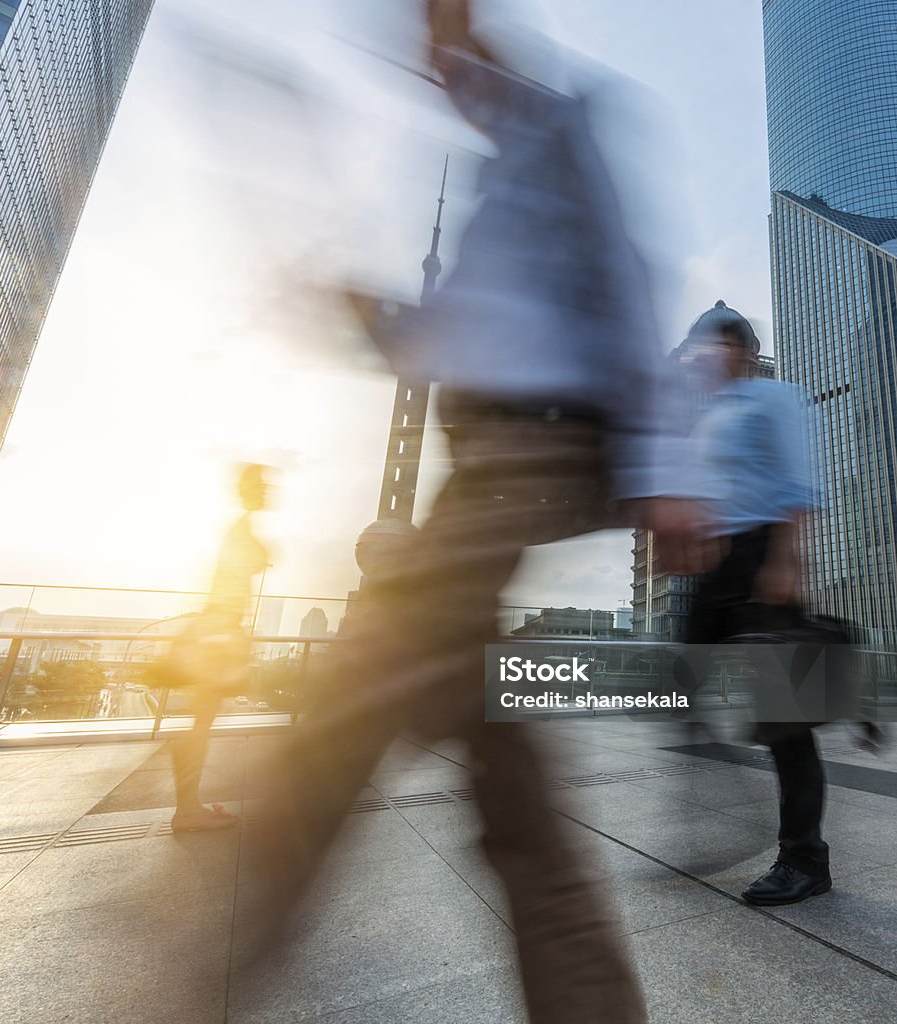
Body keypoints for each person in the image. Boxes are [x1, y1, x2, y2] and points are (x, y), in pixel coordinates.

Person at [244, 3, 704, 1022]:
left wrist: (666, 462)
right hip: (485, 464)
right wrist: (364, 310)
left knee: (342, 716)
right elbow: (452, 340)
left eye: (430, 34)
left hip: (536, 448)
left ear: (464, 27)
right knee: (503, 770)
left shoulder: (564, 123)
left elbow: (629, 287)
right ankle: (588, 996)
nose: (420, 60)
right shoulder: (498, 169)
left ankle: (207, 957)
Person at [680, 302, 829, 906]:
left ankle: (804, 859)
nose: (698, 358)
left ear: (740, 350)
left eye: (707, 346)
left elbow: (797, 481)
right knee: (684, 685)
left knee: (786, 721)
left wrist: (785, 559)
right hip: (718, 565)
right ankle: (713, 821)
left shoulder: (774, 398)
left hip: (763, 551)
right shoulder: (708, 417)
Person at [168, 462, 271, 833]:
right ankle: (187, 810)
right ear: (248, 490)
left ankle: (189, 806)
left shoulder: (242, 527)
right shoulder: (241, 528)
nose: (269, 490)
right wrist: (227, 634)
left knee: (202, 720)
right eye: (263, 485)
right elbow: (237, 573)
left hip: (221, 628)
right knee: (200, 722)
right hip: (220, 631)